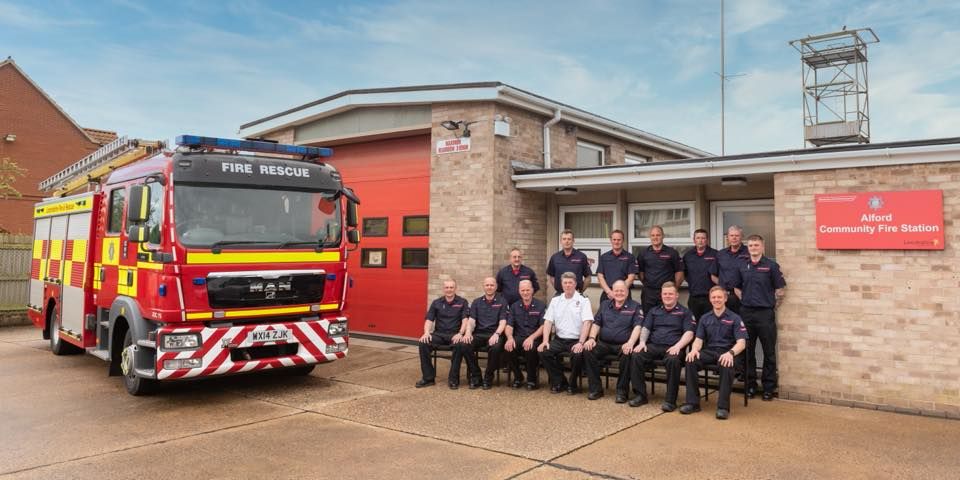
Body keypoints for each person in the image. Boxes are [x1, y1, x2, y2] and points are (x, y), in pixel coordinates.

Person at [680, 286, 747, 420]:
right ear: (710, 300)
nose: (716, 300)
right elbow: (698, 339)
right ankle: (693, 403)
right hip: (710, 352)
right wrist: (694, 350)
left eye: (719, 297)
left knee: (726, 364)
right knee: (691, 361)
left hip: (727, 352)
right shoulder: (705, 318)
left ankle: (723, 407)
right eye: (714, 297)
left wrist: (731, 353)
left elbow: (742, 343)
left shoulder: (735, 318)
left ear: (725, 299)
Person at [734, 234, 786, 401]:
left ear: (763, 247)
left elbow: (780, 290)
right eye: (750, 245)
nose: (753, 248)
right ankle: (750, 386)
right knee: (747, 351)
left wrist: (771, 306)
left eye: (756, 245)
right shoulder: (742, 265)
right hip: (747, 313)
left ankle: (769, 387)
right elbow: (737, 288)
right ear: (747, 248)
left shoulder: (771, 266)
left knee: (769, 352)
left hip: (765, 314)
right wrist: (747, 300)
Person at [630, 282, 696, 411]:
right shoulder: (654, 311)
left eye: (670, 294)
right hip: (654, 345)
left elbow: (689, 333)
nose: (667, 296)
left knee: (672, 360)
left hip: (674, 347)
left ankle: (670, 401)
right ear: (661, 295)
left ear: (677, 295)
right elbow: (645, 328)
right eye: (665, 294)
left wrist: (678, 346)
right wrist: (642, 342)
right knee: (636, 355)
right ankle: (640, 395)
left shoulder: (685, 312)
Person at [583, 280, 643, 402]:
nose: (619, 293)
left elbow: (638, 326)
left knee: (627, 354)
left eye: (622, 290)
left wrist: (631, 342)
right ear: (612, 292)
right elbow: (596, 323)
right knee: (588, 350)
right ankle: (596, 389)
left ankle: (622, 392)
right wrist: (591, 338)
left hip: (623, 345)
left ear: (627, 292)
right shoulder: (605, 305)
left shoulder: (635, 306)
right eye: (616, 290)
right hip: (604, 344)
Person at [539, 272, 593, 395]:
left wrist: (581, 342)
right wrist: (545, 341)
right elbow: (548, 321)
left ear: (575, 284)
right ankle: (559, 381)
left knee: (578, 355)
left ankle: (572, 384)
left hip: (576, 340)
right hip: (559, 340)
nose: (568, 285)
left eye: (570, 283)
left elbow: (587, 323)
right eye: (565, 283)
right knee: (543, 351)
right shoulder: (555, 300)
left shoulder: (583, 300)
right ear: (561, 284)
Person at [416, 279, 470, 389]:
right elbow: (429, 320)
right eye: (447, 287)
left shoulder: (462, 302)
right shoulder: (436, 302)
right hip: (439, 335)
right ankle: (428, 378)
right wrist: (426, 332)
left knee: (459, 345)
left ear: (455, 289)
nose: (449, 290)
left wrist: (461, 333)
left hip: (455, 335)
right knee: (423, 343)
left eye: (451, 287)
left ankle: (453, 379)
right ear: (443, 289)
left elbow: (465, 320)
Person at [463, 277, 509, 390]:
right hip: (479, 334)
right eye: (487, 285)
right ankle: (476, 375)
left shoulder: (502, 301)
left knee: (496, 348)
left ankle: (488, 377)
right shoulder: (476, 302)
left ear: (496, 287)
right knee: (463, 345)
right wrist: (468, 332)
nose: (489, 287)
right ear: (483, 286)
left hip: (495, 334)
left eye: (492, 285)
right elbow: (472, 320)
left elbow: (503, 321)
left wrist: (497, 334)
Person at [504, 279, 546, 389]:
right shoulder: (514, 306)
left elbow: (543, 326)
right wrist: (509, 338)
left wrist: (531, 338)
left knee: (530, 348)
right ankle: (518, 377)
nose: (525, 292)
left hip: (535, 338)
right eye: (523, 290)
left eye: (528, 290)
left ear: (532, 290)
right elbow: (509, 325)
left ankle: (532, 379)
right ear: (519, 291)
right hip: (519, 337)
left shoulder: (540, 306)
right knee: (508, 347)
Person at [637, 225, 683, 315]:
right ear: (650, 237)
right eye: (653, 235)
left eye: (658, 235)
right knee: (648, 318)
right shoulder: (643, 253)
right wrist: (648, 284)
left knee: (666, 318)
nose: (655, 237)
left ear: (663, 236)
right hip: (648, 294)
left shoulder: (672, 252)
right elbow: (641, 273)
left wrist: (674, 288)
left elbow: (679, 272)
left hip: (666, 293)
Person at [682, 228, 719, 320]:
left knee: (711, 323)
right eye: (698, 238)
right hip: (694, 297)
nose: (700, 240)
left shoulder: (715, 254)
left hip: (711, 298)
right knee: (695, 325)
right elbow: (685, 275)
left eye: (703, 238)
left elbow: (720, 274)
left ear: (707, 240)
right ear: (694, 240)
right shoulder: (688, 255)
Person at [596, 229, 638, 305]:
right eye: (614, 239)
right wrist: (609, 292)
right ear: (611, 240)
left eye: (619, 239)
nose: (616, 242)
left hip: (624, 294)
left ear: (623, 241)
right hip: (608, 294)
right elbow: (600, 276)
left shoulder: (630, 257)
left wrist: (619, 291)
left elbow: (631, 277)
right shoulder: (604, 257)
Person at [546, 229, 591, 295]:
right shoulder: (555, 257)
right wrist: (558, 288)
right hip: (560, 294)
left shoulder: (581, 256)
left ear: (573, 241)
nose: (566, 241)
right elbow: (552, 277)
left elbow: (588, 277)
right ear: (561, 241)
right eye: (564, 239)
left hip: (576, 294)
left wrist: (581, 291)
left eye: (569, 239)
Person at [716, 225, 749, 314]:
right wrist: (722, 286)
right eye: (731, 235)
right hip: (725, 296)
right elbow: (713, 275)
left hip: (743, 295)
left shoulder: (749, 252)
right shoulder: (721, 254)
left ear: (741, 237)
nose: (734, 238)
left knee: (743, 323)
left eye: (737, 235)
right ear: (728, 238)